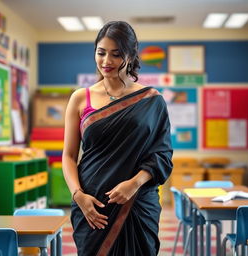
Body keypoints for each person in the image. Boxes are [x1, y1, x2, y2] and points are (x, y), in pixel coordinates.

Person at [62, 20, 173, 256]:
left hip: (137, 203)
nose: (106, 61)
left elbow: (162, 155)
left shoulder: (152, 101)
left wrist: (134, 184)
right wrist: (78, 196)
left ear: (131, 56)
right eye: (101, 53)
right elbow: (69, 156)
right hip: (92, 205)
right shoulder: (80, 98)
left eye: (116, 54)